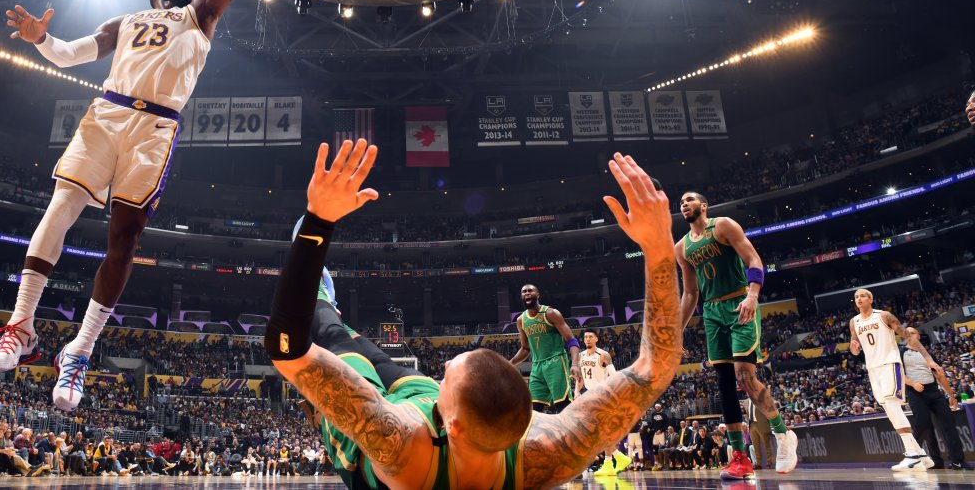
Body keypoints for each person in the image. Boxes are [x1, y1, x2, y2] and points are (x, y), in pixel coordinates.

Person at [0, 0, 291, 412]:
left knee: (124, 234)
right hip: (107, 113)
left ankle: (80, 348)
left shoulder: (200, 14)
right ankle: (22, 327)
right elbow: (70, 54)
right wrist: (40, 39)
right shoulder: (123, 22)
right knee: (61, 207)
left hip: (155, 128)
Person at [265, 143, 682, 488]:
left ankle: (322, 297)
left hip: (380, 439)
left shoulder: (395, 442)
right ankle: (329, 306)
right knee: (369, 352)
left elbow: (286, 348)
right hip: (426, 409)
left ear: (453, 425)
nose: (443, 363)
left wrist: (317, 223)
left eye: (449, 374)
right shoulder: (547, 449)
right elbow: (656, 366)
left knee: (333, 336)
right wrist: (660, 244)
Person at [675, 191, 797, 478]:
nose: (684, 204)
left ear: (703, 206)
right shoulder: (681, 247)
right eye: (680, 202)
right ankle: (739, 458)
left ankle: (783, 435)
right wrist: (677, 333)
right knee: (725, 384)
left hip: (739, 302)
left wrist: (753, 295)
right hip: (711, 312)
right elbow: (690, 293)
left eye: (689, 200)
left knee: (744, 374)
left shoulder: (724, 225)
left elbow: (754, 261)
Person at [849, 288, 940, 471]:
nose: (859, 299)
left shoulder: (884, 316)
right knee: (889, 409)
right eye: (856, 297)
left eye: (863, 296)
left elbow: (908, 337)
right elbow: (855, 350)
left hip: (890, 364)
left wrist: (928, 358)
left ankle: (912, 453)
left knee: (891, 405)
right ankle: (922, 455)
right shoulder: (854, 322)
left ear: (871, 299)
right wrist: (854, 348)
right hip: (873, 368)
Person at [508, 284, 581, 414]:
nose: (527, 293)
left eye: (530, 291)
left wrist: (575, 364)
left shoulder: (551, 313)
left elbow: (572, 340)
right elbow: (525, 349)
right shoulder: (521, 320)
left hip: (556, 362)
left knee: (563, 406)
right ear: (521, 296)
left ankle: (572, 434)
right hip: (536, 366)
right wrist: (510, 364)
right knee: (534, 411)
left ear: (538, 294)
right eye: (524, 292)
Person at [903, 330, 969, 470]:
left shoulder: (928, 354)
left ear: (919, 335)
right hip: (916, 392)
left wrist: (951, 395)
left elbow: (940, 376)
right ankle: (930, 460)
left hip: (933, 391)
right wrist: (913, 384)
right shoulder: (900, 353)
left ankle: (957, 460)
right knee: (923, 424)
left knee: (949, 424)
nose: (910, 334)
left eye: (913, 332)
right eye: (906, 333)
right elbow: (898, 375)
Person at [577, 330, 632, 476]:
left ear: (596, 339)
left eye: (590, 337)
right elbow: (580, 376)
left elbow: (614, 376)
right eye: (585, 337)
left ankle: (610, 462)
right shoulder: (581, 355)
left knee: (601, 431)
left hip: (603, 394)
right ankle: (617, 458)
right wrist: (577, 391)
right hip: (589, 394)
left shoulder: (603, 355)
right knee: (598, 432)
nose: (588, 339)